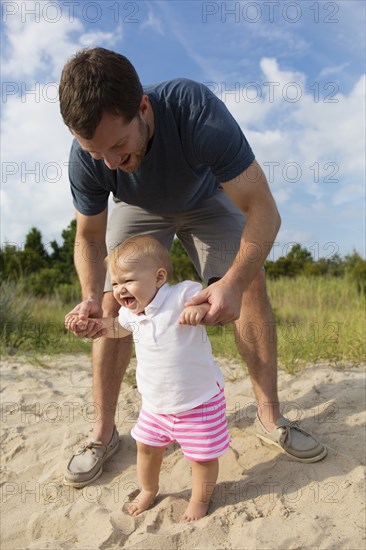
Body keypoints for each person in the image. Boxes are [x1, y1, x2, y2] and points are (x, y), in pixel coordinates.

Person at [59, 47, 327, 488]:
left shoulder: (196, 111)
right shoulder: (89, 157)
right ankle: (103, 435)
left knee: (251, 283)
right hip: (139, 207)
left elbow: (264, 211)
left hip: (206, 197)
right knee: (111, 302)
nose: (109, 162)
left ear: (142, 108)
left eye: (118, 146)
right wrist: (90, 294)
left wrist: (233, 284)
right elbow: (88, 236)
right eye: (95, 152)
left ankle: (271, 417)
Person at [66, 235, 230, 521]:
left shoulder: (181, 295)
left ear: (158, 277)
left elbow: (209, 304)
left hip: (198, 401)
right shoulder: (131, 314)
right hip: (155, 405)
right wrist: (94, 325)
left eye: (127, 281)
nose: (119, 290)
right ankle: (148, 489)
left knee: (202, 457)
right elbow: (116, 328)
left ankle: (200, 499)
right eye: (115, 284)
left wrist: (199, 310)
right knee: (147, 448)